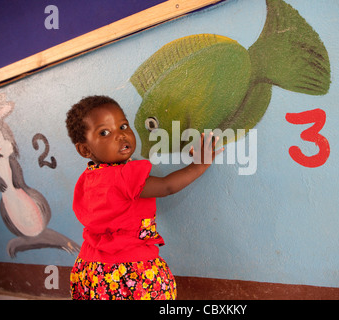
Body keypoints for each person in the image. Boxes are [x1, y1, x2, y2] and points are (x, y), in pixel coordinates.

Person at [65, 95, 222, 300]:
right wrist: (200, 165)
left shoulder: (87, 179)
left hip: (90, 270)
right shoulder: (124, 176)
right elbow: (166, 186)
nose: (120, 136)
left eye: (123, 126)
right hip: (131, 273)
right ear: (84, 149)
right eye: (105, 132)